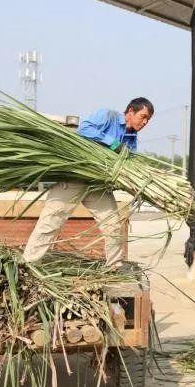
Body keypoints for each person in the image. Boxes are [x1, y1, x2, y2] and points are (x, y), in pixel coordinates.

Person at [23, 98, 154, 267]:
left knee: (113, 225)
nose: (145, 122)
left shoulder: (132, 139)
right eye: (143, 116)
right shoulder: (109, 116)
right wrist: (112, 143)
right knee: (51, 221)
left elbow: (128, 163)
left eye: (148, 120)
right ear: (130, 112)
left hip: (97, 185)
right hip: (75, 177)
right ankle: (29, 264)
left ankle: (114, 266)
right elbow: (84, 128)